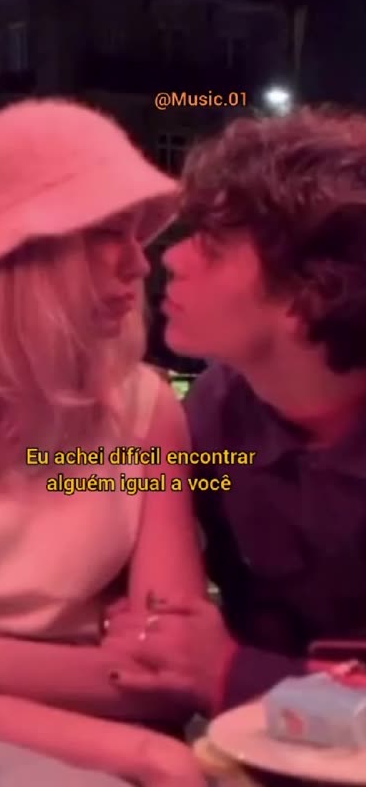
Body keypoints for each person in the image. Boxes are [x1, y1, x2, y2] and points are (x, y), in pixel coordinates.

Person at [0, 98, 206, 786]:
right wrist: (143, 753)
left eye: (138, 235)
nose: (140, 264)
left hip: (80, 730)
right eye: (109, 233)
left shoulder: (151, 411)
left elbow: (173, 672)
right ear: (17, 253)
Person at [106, 105, 366, 721]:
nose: (171, 258)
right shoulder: (220, 411)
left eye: (215, 247)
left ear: (311, 291)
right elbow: (105, 478)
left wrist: (231, 673)